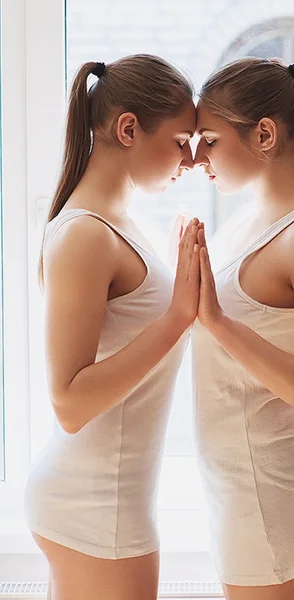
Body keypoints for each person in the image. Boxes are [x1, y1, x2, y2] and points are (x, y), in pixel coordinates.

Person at [24, 54, 199, 600]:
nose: (192, 160)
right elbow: (69, 403)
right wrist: (175, 319)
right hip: (95, 508)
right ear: (129, 129)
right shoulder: (84, 234)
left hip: (111, 504)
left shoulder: (118, 224)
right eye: (181, 141)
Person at [192, 58, 294, 600]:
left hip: (272, 495)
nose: (197, 156)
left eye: (209, 140)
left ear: (263, 134)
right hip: (238, 491)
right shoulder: (244, 222)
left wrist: (217, 321)